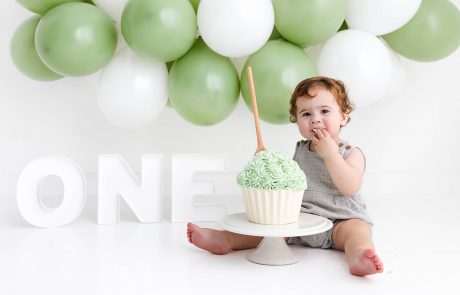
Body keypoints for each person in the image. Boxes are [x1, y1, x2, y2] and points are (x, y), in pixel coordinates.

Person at [187, 76, 384, 276]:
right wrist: (265, 162)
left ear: (343, 116)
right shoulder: (301, 150)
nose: (315, 119)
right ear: (296, 121)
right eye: (306, 113)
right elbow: (286, 181)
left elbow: (350, 186)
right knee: (269, 227)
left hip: (341, 221)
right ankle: (226, 239)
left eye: (324, 111)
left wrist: (331, 154)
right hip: (301, 221)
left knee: (357, 232)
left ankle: (359, 256)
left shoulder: (351, 152)